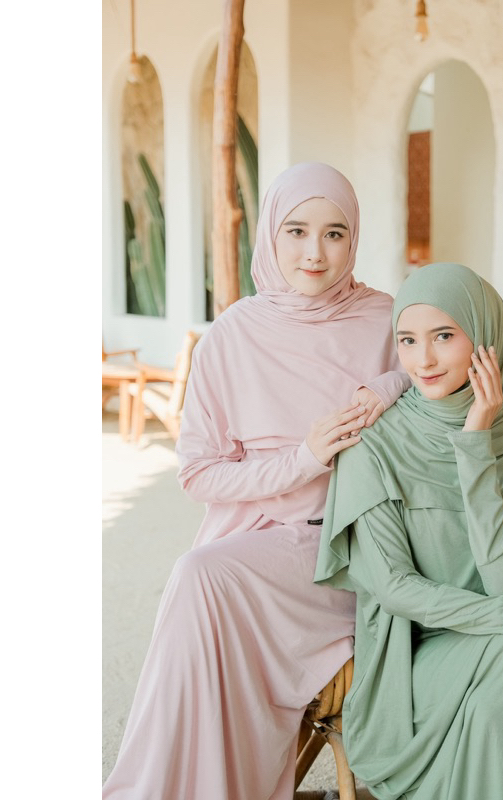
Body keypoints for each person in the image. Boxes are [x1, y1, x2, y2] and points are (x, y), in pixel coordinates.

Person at [103, 162, 410, 799]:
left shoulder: (387, 318)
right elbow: (198, 474)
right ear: (270, 233)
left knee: (200, 578)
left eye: (334, 233)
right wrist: (304, 458)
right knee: (201, 582)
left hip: (358, 548)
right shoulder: (230, 337)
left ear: (354, 238)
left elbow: (444, 369)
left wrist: (392, 383)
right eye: (296, 231)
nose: (315, 253)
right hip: (260, 541)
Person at [315, 262, 503, 800]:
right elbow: (396, 589)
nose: (422, 360)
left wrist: (475, 445)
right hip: (410, 665)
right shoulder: (373, 444)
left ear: (486, 340)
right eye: (407, 340)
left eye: (444, 336)